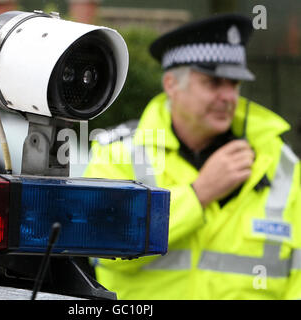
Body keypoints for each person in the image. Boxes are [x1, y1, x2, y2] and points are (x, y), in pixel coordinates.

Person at [83, 13, 301, 300]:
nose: (228, 96)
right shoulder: (118, 154)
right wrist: (198, 195)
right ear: (172, 84)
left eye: (234, 84)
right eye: (213, 82)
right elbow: (101, 244)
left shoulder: (280, 161)